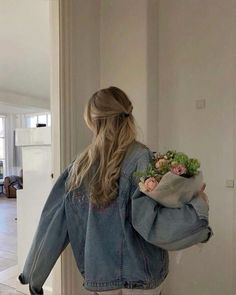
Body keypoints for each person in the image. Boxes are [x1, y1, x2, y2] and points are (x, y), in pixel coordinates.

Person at [18, 86, 213, 295]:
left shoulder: (78, 167)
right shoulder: (140, 157)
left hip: (101, 277)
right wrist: (198, 208)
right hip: (142, 277)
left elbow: (52, 223)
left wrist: (34, 274)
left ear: (93, 120)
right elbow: (151, 224)